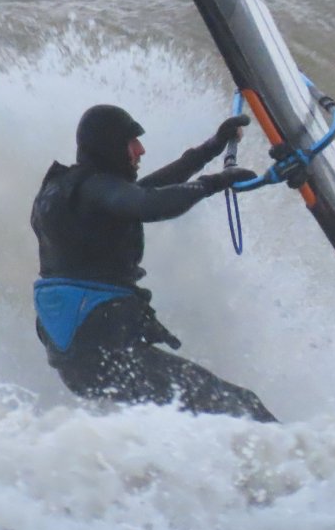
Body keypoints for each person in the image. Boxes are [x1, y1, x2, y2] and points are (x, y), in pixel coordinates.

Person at [29, 104, 285, 422]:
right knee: (242, 408)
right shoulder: (97, 190)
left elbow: (142, 191)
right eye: (131, 141)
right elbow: (148, 203)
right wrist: (212, 183)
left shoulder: (64, 191)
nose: (140, 150)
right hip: (108, 355)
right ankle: (305, 470)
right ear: (110, 146)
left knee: (200, 420)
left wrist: (209, 149)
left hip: (79, 363)